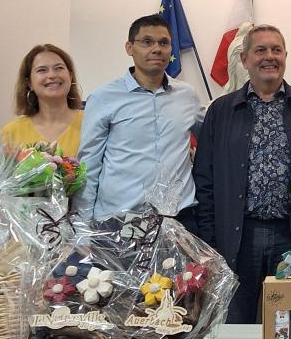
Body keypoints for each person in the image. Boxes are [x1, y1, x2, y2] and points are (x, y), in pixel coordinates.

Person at [193, 24, 291, 324]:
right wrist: (210, 242)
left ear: (285, 56)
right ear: (244, 59)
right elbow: (204, 179)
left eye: (276, 50)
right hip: (237, 239)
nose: (269, 57)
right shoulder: (221, 111)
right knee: (233, 327)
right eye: (260, 50)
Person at [74, 14, 205, 229]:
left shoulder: (187, 96)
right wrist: (83, 227)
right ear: (129, 48)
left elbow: (211, 144)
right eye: (147, 42)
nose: (157, 49)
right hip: (122, 220)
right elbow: (89, 165)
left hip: (180, 218)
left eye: (164, 43)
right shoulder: (104, 98)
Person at [0, 44, 84, 156]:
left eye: (59, 68)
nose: (52, 75)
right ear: (29, 83)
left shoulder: (91, 124)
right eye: (42, 70)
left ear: (70, 76)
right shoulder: (10, 133)